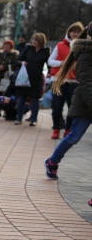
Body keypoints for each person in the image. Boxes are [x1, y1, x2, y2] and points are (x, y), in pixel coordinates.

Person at [44, 24, 92, 181]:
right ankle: (52, 161)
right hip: (86, 104)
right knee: (74, 137)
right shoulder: (85, 55)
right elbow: (85, 83)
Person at [49, 22, 84, 139]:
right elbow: (50, 61)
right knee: (57, 107)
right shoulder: (60, 45)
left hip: (75, 81)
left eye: (78, 32)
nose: (76, 34)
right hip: (59, 80)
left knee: (72, 108)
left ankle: (68, 129)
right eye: (73, 31)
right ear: (69, 32)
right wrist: (63, 64)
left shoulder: (84, 47)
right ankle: (56, 129)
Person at [15, 32, 50, 126]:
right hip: (25, 77)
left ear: (41, 41)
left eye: (36, 40)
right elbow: (18, 60)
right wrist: (21, 62)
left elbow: (49, 64)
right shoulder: (28, 48)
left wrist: (50, 72)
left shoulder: (46, 51)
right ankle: (19, 118)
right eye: (33, 40)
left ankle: (34, 119)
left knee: (35, 99)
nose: (34, 42)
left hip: (37, 78)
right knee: (22, 98)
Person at [0, 40, 18, 117]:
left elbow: (15, 65)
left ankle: (7, 110)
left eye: (8, 45)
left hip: (8, 77)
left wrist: (5, 66)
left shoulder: (14, 55)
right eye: (5, 45)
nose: (6, 47)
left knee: (7, 94)